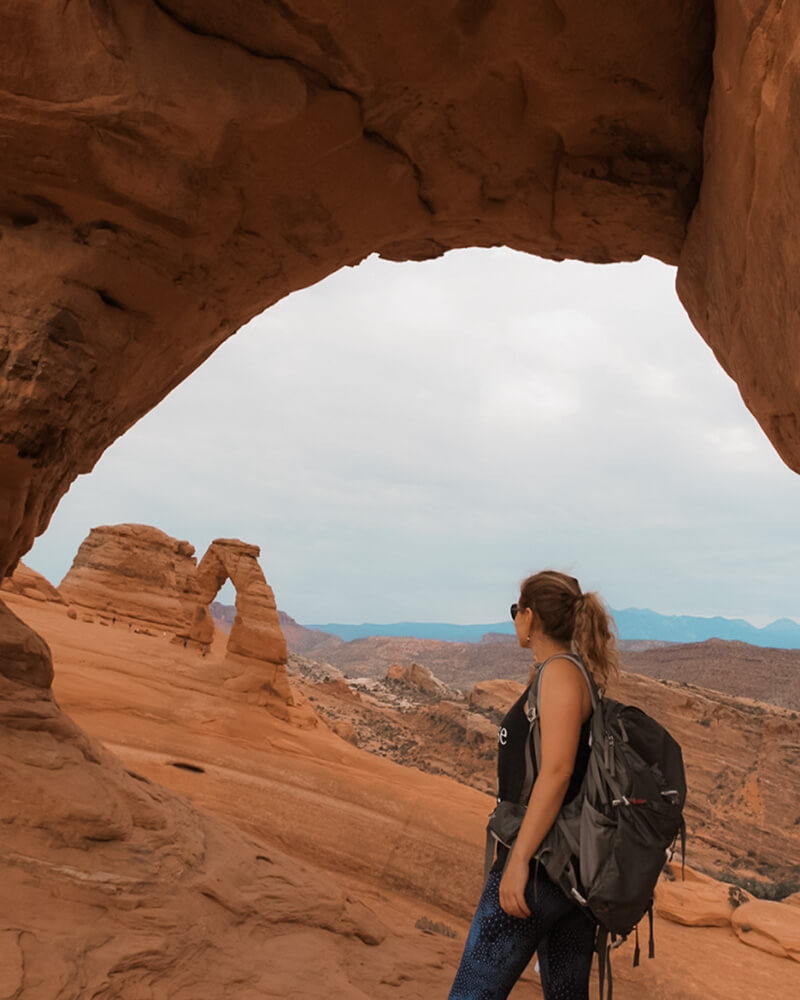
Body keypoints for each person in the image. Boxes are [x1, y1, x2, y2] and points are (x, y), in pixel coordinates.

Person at [449, 570, 619, 1000]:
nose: (514, 621)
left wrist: (518, 861)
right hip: (568, 871)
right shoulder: (564, 672)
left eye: (515, 611)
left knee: (472, 994)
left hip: (543, 863)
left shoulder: (560, 674)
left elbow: (558, 771)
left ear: (531, 616)